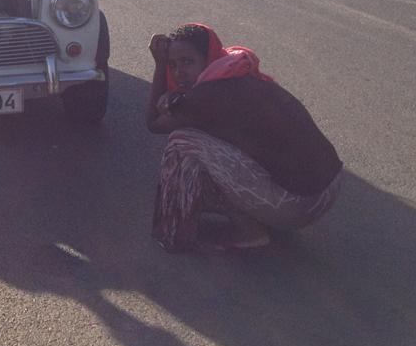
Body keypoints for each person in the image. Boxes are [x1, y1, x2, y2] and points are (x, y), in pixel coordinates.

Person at [145, 23, 342, 252]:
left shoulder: (205, 96)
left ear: (208, 58)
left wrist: (160, 66)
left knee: (182, 140)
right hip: (328, 188)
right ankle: (258, 217)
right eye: (172, 65)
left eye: (188, 62)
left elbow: (152, 124)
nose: (179, 73)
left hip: (301, 204)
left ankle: (246, 231)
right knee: (208, 138)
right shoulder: (235, 69)